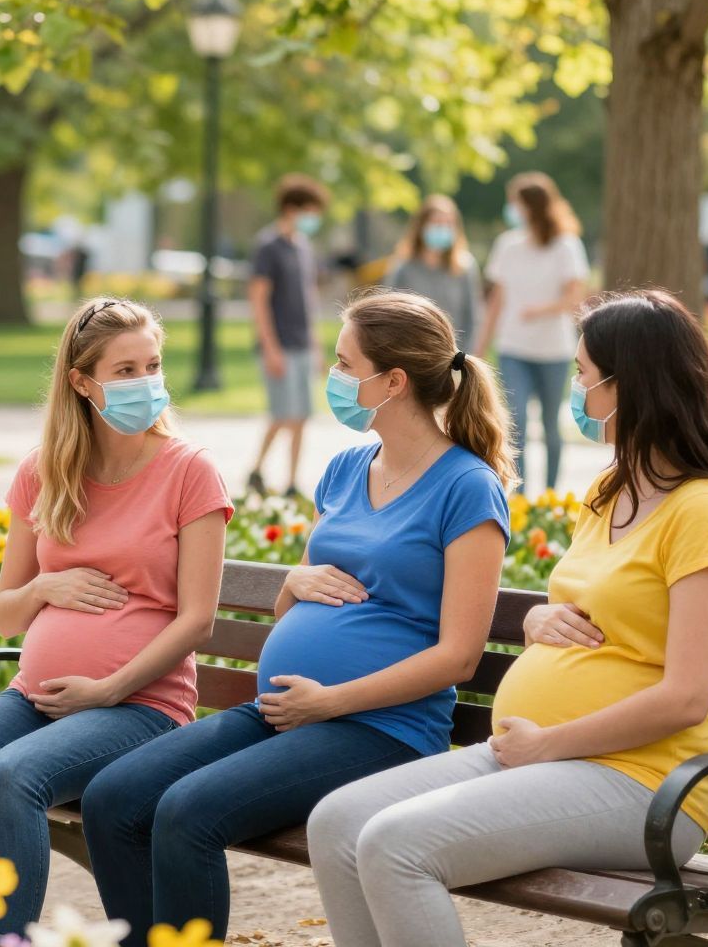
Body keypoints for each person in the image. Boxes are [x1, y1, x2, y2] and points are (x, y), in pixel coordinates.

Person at [308, 288, 708, 947]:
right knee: (337, 821)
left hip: (641, 782)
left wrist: (547, 744)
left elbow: (686, 696)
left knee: (395, 845)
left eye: (584, 375)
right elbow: (591, 605)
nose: (575, 389)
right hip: (536, 757)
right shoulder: (609, 492)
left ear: (629, 387)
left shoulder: (703, 511)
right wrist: (538, 625)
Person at [81, 291, 514, 946]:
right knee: (112, 798)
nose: (332, 377)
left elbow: (457, 656)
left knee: (187, 813)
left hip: (381, 729)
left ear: (393, 382)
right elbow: (295, 601)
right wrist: (297, 581)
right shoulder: (346, 469)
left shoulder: (467, 487)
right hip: (288, 711)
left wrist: (331, 701)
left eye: (345, 363)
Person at [0, 298, 232, 942]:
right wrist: (46, 585)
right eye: (125, 369)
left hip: (143, 705)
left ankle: (8, 939)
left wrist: (107, 689)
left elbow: (197, 621)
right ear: (82, 381)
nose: (146, 382)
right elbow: (3, 614)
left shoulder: (190, 470)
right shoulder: (45, 472)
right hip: (39, 697)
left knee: (13, 775)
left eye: (153, 365)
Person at [475, 171, 589, 494]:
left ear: (532, 206)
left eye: (515, 202)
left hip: (554, 351)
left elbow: (574, 297)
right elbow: (495, 300)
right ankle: (519, 494)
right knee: (517, 422)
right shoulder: (507, 245)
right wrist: (481, 346)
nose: (511, 209)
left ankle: (551, 494)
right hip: (514, 349)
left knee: (551, 426)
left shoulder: (567, 246)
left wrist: (538, 310)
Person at [247, 174, 329, 500]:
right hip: (278, 344)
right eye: (309, 210)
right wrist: (270, 348)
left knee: (301, 416)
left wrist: (317, 345)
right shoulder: (268, 246)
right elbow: (258, 298)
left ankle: (292, 481)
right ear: (291, 208)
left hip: (302, 343)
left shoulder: (303, 246)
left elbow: (308, 299)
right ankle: (257, 469)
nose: (314, 218)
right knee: (283, 414)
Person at [385, 194, 482, 347]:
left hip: (451, 355)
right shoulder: (403, 267)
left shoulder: (465, 266)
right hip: (411, 352)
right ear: (422, 226)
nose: (443, 229)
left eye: (448, 224)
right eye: (437, 223)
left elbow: (472, 317)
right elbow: (390, 314)